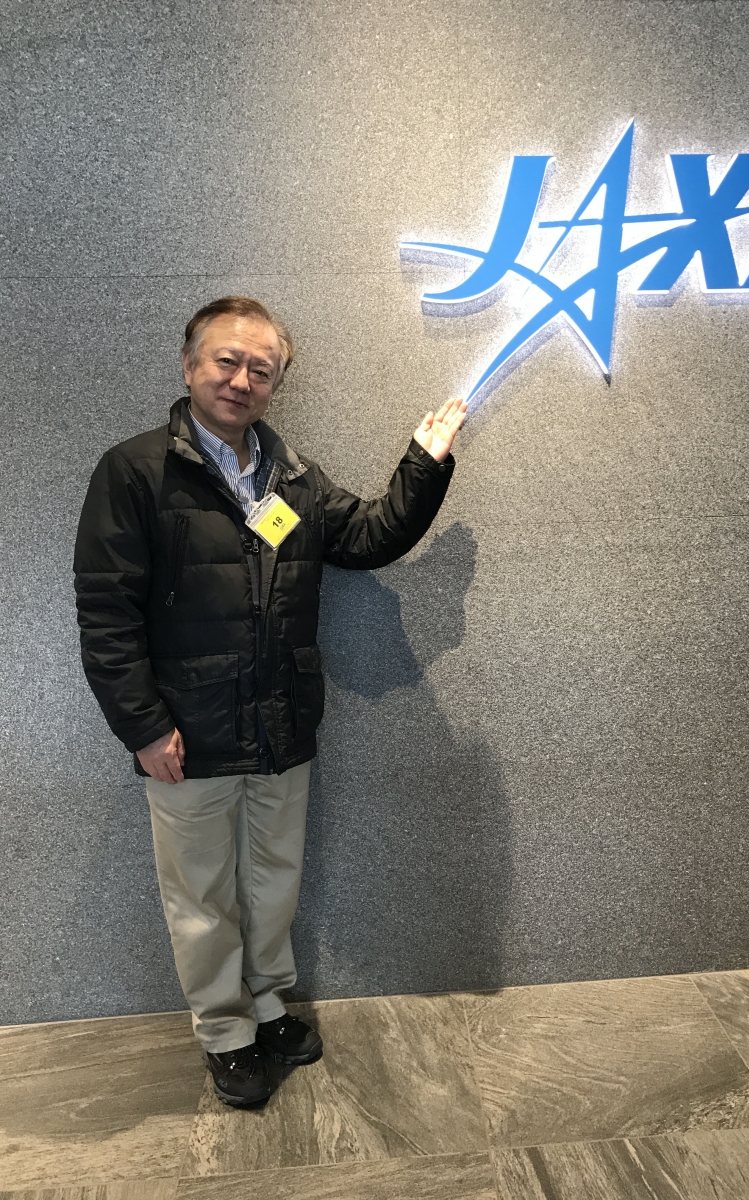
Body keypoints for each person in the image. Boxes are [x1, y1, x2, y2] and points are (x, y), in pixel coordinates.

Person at [74, 296, 466, 1107]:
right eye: (227, 360)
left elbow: (368, 537)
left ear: (276, 383)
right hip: (186, 735)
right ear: (190, 365)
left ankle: (266, 1005)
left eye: (262, 368)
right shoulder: (136, 471)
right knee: (201, 894)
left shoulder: (293, 478)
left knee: (273, 880)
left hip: (281, 722)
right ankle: (224, 1032)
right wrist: (143, 726)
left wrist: (424, 464)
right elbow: (106, 612)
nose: (242, 378)